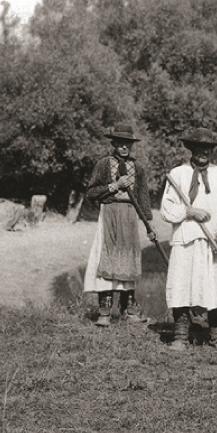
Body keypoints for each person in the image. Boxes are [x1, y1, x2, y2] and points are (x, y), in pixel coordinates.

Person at [160, 127, 217, 351]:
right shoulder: (178, 174)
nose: (204, 152)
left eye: (208, 148)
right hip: (185, 240)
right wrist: (189, 212)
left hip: (211, 241)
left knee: (213, 287)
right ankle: (180, 337)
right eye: (199, 148)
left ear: (212, 150)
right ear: (191, 149)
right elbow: (166, 209)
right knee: (181, 286)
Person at [83, 123, 157, 327]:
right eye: (120, 143)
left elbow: (142, 197)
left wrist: (148, 225)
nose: (124, 147)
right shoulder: (103, 165)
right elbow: (91, 192)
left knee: (129, 260)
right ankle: (104, 312)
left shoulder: (138, 168)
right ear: (114, 143)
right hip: (109, 214)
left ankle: (129, 311)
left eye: (128, 144)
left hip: (130, 216)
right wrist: (115, 185)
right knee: (107, 259)